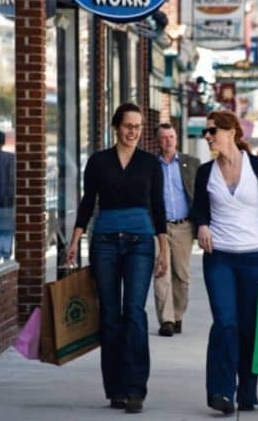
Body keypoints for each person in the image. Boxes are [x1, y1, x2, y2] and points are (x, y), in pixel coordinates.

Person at [66, 103, 168, 414]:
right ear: (116, 126)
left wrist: (163, 249)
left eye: (138, 127)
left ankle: (136, 388)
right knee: (110, 315)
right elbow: (87, 203)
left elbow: (159, 208)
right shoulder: (98, 162)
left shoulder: (150, 163)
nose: (133, 131)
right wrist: (74, 241)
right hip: (105, 243)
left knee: (134, 312)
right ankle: (116, 389)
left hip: (140, 243)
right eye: (128, 125)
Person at [191, 111, 258, 414]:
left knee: (249, 326)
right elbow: (197, 209)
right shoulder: (205, 172)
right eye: (206, 132)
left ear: (232, 132)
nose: (208, 136)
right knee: (225, 322)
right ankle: (221, 391)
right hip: (219, 258)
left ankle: (247, 391)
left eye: (213, 131)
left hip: (255, 257)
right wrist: (202, 225)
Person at [153, 123, 200, 338]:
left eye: (171, 136)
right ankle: (167, 320)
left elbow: (200, 197)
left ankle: (178, 315)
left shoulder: (191, 164)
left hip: (184, 227)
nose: (168, 141)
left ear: (176, 138)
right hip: (159, 228)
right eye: (164, 138)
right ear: (158, 141)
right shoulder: (152, 166)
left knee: (181, 275)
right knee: (161, 272)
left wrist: (202, 226)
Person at [0, 130, 14, 263]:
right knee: (5, 230)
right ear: (4, 141)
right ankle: (4, 256)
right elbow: (12, 180)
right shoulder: (10, 158)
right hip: (6, 201)